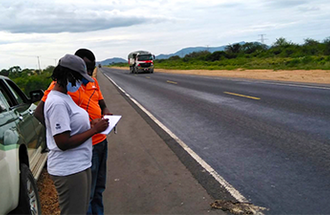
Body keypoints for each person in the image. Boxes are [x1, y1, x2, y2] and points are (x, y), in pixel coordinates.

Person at [34, 48, 112, 215]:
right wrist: (93, 130)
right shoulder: (56, 101)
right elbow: (63, 142)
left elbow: (73, 122)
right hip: (69, 167)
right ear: (68, 76)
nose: (81, 83)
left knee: (86, 201)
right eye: (80, 78)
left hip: (81, 161)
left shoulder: (65, 96)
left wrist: (92, 124)